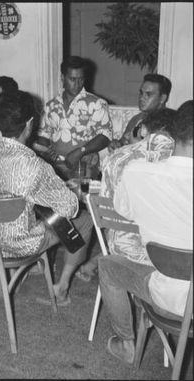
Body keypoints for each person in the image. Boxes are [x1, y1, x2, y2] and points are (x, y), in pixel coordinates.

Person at [0, 91, 94, 306]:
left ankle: (31, 268)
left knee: (32, 210)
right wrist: (67, 190)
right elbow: (70, 208)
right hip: (17, 246)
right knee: (84, 221)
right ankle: (61, 288)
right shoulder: (34, 165)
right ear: (30, 124)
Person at [98, 100, 193, 364]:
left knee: (107, 265)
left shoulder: (137, 171)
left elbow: (123, 211)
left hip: (169, 298)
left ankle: (126, 344)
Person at [77, 108, 177, 279]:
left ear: (143, 130)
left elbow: (106, 208)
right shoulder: (179, 161)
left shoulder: (116, 157)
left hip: (121, 248)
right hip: (168, 253)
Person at [34, 56, 113, 180]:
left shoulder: (96, 103)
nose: (77, 84)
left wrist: (80, 151)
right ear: (62, 78)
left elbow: (106, 136)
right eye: (72, 79)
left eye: (81, 79)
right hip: (55, 166)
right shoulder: (51, 106)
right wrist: (46, 152)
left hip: (84, 164)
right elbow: (44, 135)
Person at [109, 74, 172, 151]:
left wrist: (137, 145)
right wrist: (117, 144)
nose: (142, 98)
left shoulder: (170, 122)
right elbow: (122, 143)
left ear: (162, 98)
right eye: (141, 93)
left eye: (148, 94)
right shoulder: (137, 119)